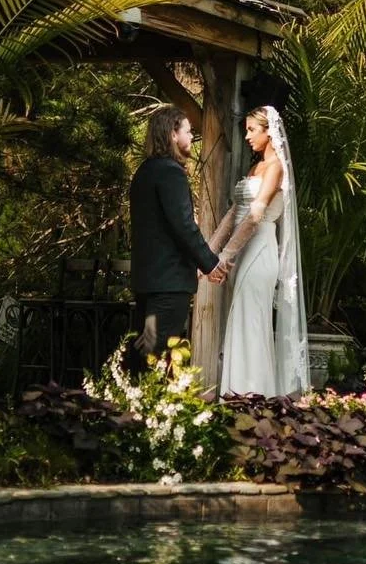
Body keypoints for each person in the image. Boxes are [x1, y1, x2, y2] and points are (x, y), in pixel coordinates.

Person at [210, 105, 310, 396]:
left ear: (270, 132)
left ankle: (254, 397)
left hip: (260, 250)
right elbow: (234, 214)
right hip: (243, 253)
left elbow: (255, 216)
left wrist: (224, 259)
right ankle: (235, 396)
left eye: (252, 130)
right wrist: (208, 256)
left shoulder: (277, 167)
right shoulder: (255, 168)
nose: (248, 137)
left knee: (252, 324)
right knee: (240, 322)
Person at [129, 105, 226, 366]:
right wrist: (210, 262)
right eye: (188, 131)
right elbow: (183, 225)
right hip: (169, 284)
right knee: (158, 355)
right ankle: (150, 404)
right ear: (173, 134)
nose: (191, 137)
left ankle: (136, 401)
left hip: (149, 281)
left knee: (146, 351)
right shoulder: (171, 173)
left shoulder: (144, 172)